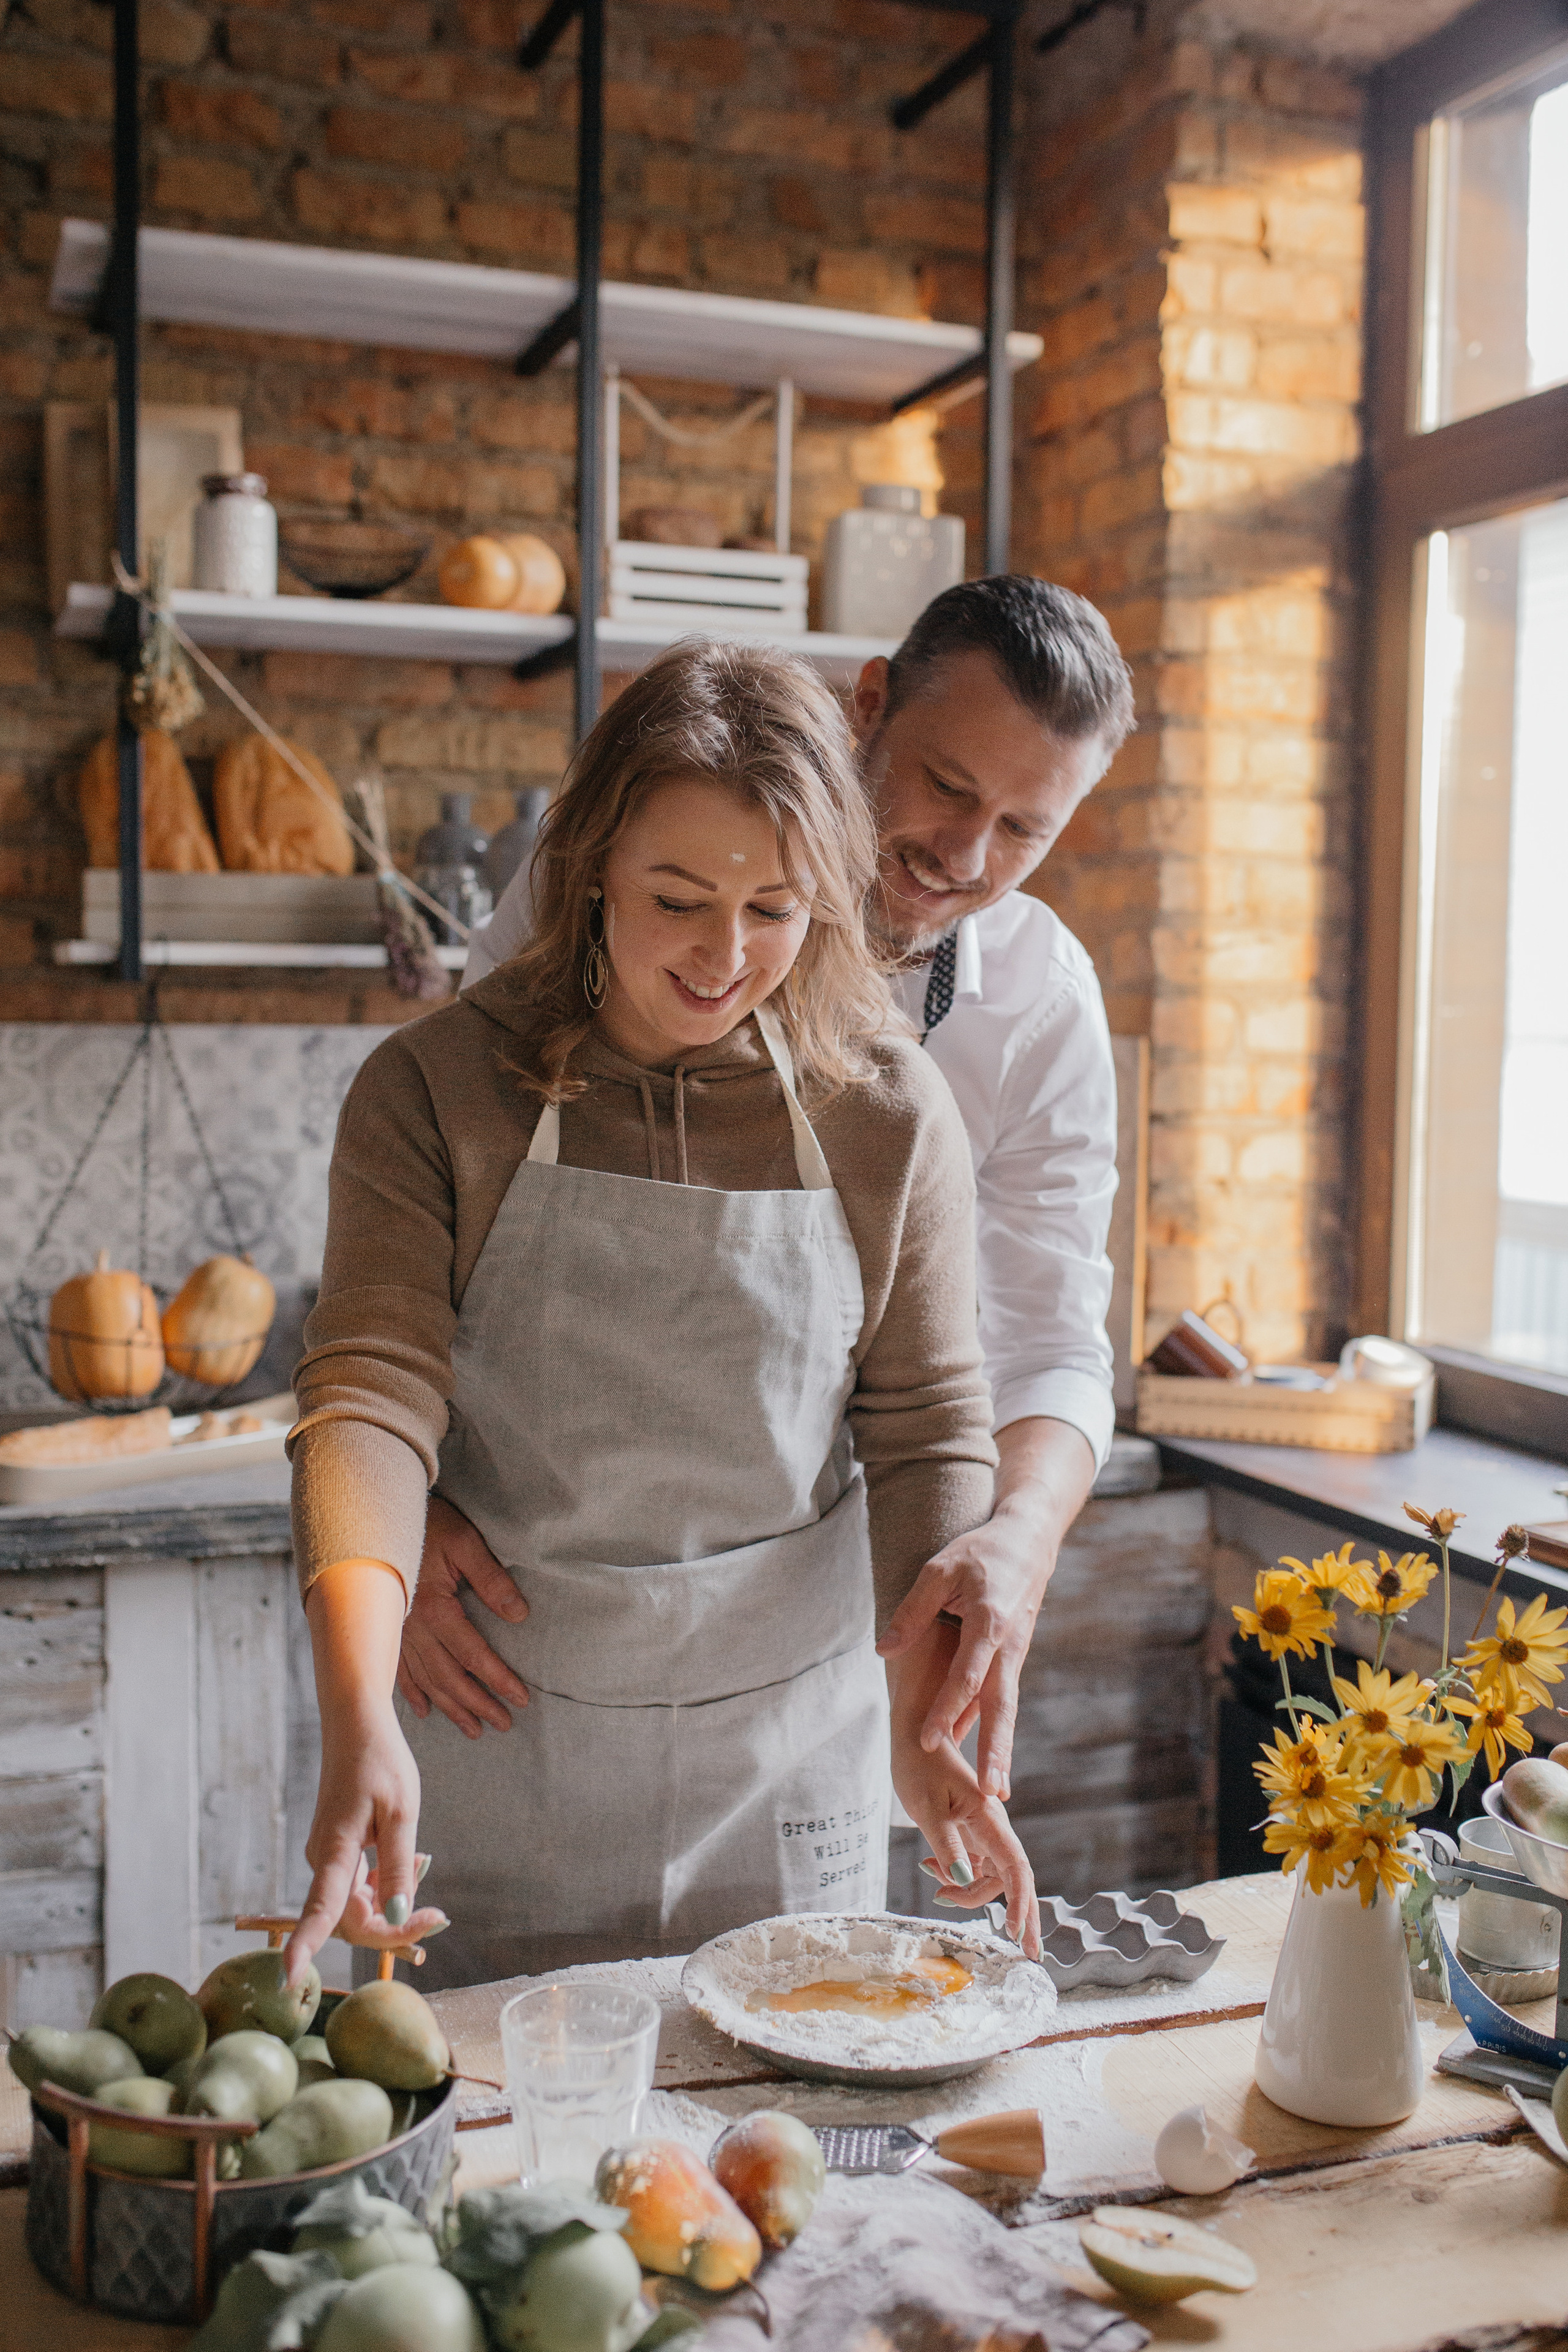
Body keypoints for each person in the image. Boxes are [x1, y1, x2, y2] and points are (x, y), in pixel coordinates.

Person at [284, 639, 1038, 1991]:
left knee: (773, 2163)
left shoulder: (884, 1112)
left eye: (775, 909)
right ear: (588, 874)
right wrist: (356, 1712)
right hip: (503, 1737)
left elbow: (925, 1427)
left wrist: (930, 1729)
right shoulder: (436, 1089)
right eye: (677, 897)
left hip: (788, 1755)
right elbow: (369, 1395)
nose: (722, 955)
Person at [421, 578, 1135, 1901]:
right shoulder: (590, 895)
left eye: (1023, 830)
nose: (965, 856)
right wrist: (401, 1502)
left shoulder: (1037, 1012)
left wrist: (1017, 1540)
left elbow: (1041, 1343)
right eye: (943, 785)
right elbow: (442, 1212)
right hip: (528, 1619)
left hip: (817, 1644)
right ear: (868, 703)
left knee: (786, 2073)